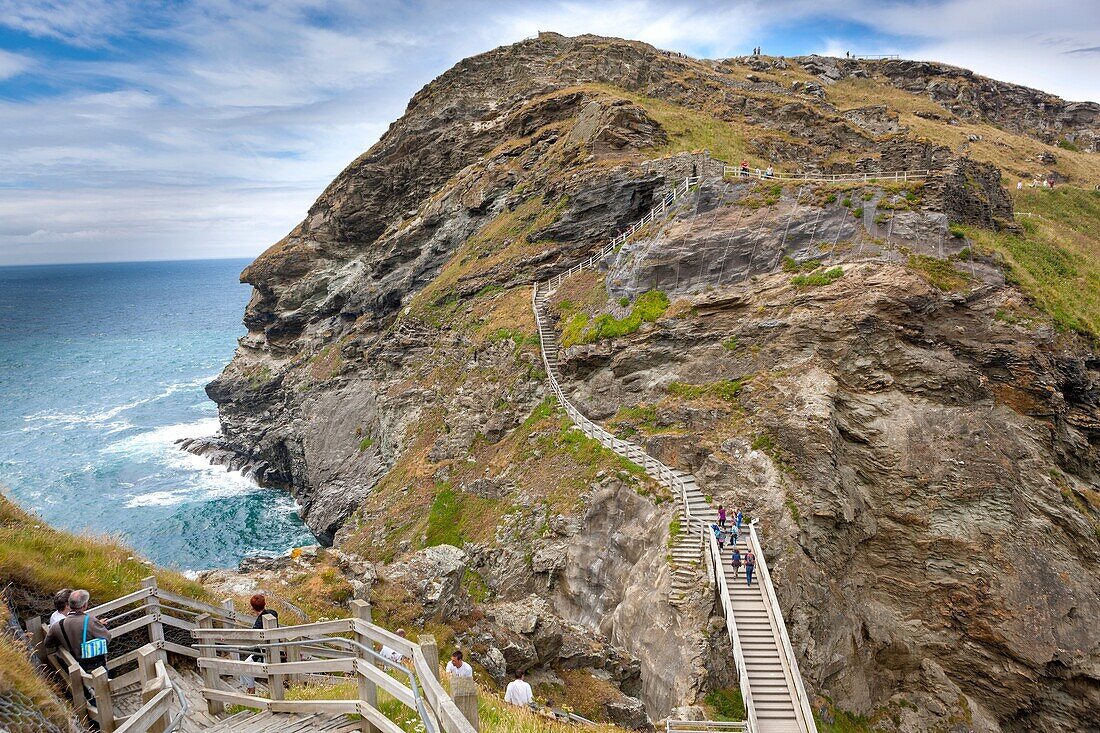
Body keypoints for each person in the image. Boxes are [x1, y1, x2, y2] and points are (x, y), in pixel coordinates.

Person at [43, 589, 110, 674]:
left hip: (72, 666)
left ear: (70, 605)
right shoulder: (90, 621)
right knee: (102, 685)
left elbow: (48, 643)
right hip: (94, 664)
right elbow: (107, 637)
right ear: (85, 605)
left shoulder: (57, 625)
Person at [241, 594, 279, 694]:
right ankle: (251, 688)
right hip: (275, 648)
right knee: (247, 665)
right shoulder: (272, 613)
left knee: (245, 666)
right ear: (264, 604)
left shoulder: (258, 624)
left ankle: (251, 689)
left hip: (263, 652)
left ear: (253, 608)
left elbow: (252, 639)